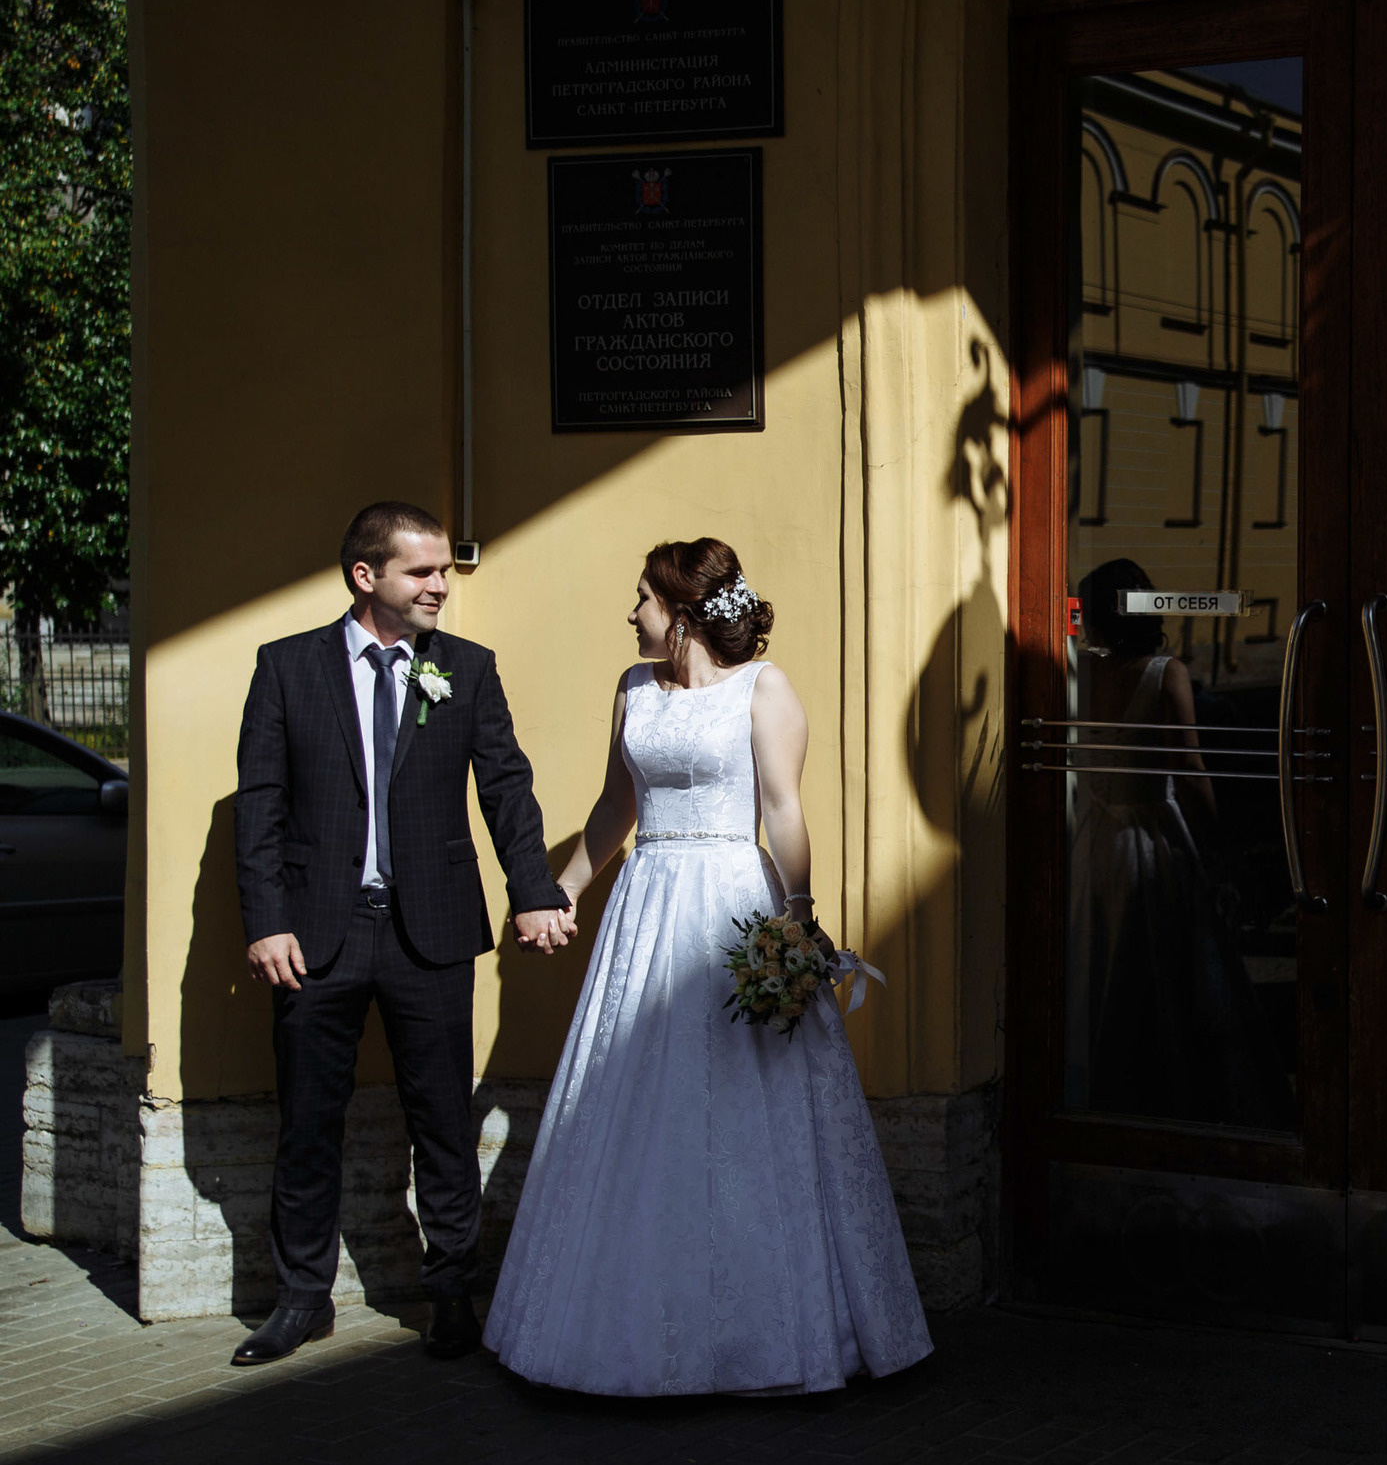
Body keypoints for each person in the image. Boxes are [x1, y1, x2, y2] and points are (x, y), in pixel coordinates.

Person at [483, 538, 929, 1395]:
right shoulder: (632, 687)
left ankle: (770, 1331)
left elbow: (783, 808)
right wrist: (564, 890)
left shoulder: (765, 688)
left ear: (682, 614)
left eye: (643, 598)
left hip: (731, 898)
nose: (631, 613)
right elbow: (616, 804)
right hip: (646, 903)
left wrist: (798, 918)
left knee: (751, 1102)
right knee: (636, 1099)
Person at [231, 502, 575, 1368]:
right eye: (422, 571)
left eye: (444, 571)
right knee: (309, 1122)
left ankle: (452, 1290)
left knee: (443, 1120)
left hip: (433, 930)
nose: (439, 586)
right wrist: (266, 921)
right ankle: (301, 1298)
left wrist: (533, 891)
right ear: (366, 575)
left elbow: (506, 786)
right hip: (317, 933)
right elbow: (260, 806)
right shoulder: (286, 667)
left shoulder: (466, 667)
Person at [1069, 559, 1293, 1128]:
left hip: (1091, 845)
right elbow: (1190, 770)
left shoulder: (1080, 671)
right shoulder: (1165, 673)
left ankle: (1100, 1099)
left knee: (1097, 968)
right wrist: (1221, 849)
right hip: (1150, 844)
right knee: (1167, 978)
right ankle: (1167, 1103)